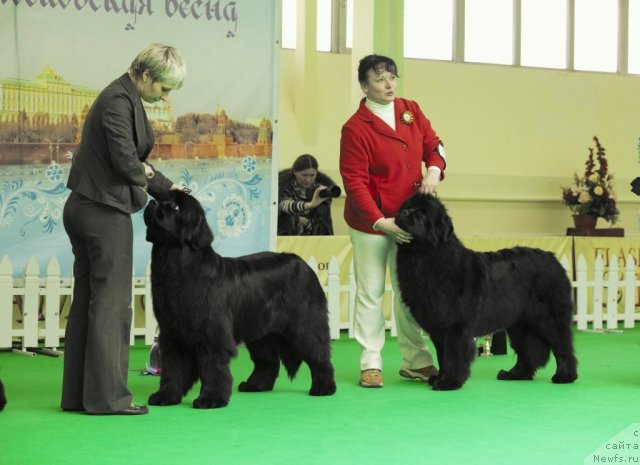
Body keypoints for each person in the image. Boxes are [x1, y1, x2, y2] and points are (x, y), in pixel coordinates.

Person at [61, 43, 187, 415]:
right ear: (146, 75)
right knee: (113, 307)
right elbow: (127, 162)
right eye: (163, 88)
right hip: (102, 210)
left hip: (89, 206)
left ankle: (78, 397)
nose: (164, 97)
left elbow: (136, 162)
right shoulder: (118, 100)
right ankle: (109, 398)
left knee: (88, 303)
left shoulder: (124, 97)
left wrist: (163, 184)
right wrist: (156, 182)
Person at [339, 54, 447, 388]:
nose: (389, 85)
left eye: (392, 78)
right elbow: (354, 181)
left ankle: (417, 360)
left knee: (409, 292)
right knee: (370, 292)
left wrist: (433, 170)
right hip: (371, 222)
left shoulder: (410, 109)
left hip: (411, 220)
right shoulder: (355, 128)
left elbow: (435, 145)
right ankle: (370, 363)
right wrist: (379, 221)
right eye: (379, 79)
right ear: (364, 86)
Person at [278, 154, 339, 235]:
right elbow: (284, 205)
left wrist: (306, 223)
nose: (308, 179)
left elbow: (324, 222)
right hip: (288, 238)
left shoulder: (321, 189)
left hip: (315, 239)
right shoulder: (284, 187)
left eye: (312, 175)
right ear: (295, 172)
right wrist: (309, 205)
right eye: (304, 175)